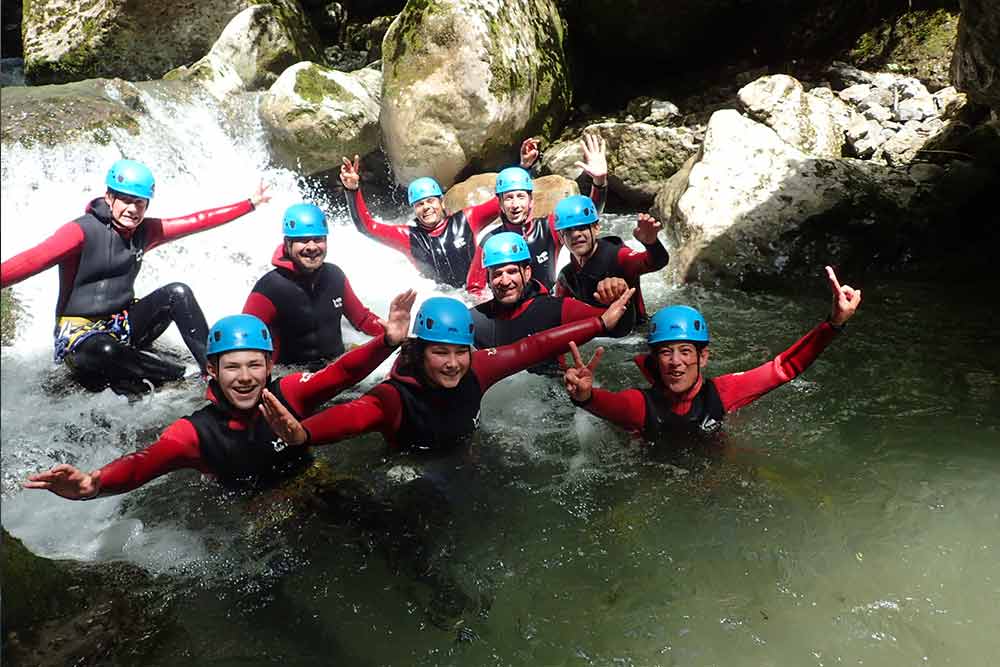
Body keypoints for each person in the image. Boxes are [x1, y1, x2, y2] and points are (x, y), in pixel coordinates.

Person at [23, 290, 417, 498]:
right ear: (212, 370)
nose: (245, 378)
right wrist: (94, 483)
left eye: (254, 365)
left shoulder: (289, 393)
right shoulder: (195, 433)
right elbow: (144, 462)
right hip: (257, 509)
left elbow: (340, 374)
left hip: (311, 480)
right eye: (232, 367)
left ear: (268, 366)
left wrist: (387, 342)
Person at [0, 159, 271, 395]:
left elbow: (197, 220)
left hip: (123, 325)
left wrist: (249, 204)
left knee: (178, 292)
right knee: (107, 351)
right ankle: (180, 375)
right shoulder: (80, 232)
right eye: (126, 201)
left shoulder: (146, 231)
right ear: (109, 197)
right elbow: (31, 260)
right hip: (81, 339)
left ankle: (212, 369)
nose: (132, 209)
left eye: (139, 203)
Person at [259, 288, 635, 454]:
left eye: (460, 352)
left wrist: (599, 323)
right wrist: (304, 434)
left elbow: (531, 346)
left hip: (464, 455)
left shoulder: (479, 368)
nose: (453, 363)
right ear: (419, 351)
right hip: (413, 472)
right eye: (440, 353)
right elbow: (353, 416)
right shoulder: (394, 396)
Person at [562, 266, 862, 442]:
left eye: (685, 351)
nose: (676, 362)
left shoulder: (723, 393)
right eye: (666, 353)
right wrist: (585, 395)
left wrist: (833, 324)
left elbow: (784, 367)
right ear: (655, 360)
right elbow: (609, 405)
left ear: (703, 357)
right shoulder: (642, 406)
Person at [339, 140, 537, 289]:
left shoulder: (466, 219)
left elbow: (504, 202)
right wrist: (353, 190)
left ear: (441, 202)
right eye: (419, 204)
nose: (426, 207)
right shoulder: (409, 237)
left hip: (478, 292)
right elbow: (367, 228)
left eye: (430, 201)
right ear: (414, 209)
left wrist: (524, 168)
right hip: (444, 298)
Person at [465, 133, 610, 295]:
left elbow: (587, 217)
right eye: (508, 198)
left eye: (520, 197)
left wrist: (599, 183)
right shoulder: (489, 241)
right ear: (500, 204)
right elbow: (474, 290)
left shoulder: (549, 228)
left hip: (546, 306)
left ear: (531, 200)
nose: (515, 205)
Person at [469, 231, 634, 374]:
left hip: (548, 396)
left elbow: (619, 328)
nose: (505, 281)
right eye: (497, 274)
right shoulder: (475, 318)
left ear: (527, 273)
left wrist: (619, 298)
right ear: (488, 280)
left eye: (512, 272)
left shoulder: (555, 308)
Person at [242, 203, 382, 367]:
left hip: (336, 373)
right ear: (287, 243)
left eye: (318, 239)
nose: (312, 247)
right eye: (302, 240)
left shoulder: (335, 276)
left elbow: (363, 319)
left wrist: (393, 330)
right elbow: (245, 341)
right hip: (290, 379)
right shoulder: (270, 288)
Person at [554, 196, 668, 324]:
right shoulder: (566, 276)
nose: (575, 235)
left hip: (634, 334)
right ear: (561, 237)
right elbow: (558, 315)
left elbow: (656, 262)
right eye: (568, 230)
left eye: (582, 228)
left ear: (596, 228)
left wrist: (652, 244)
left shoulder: (618, 255)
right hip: (599, 333)